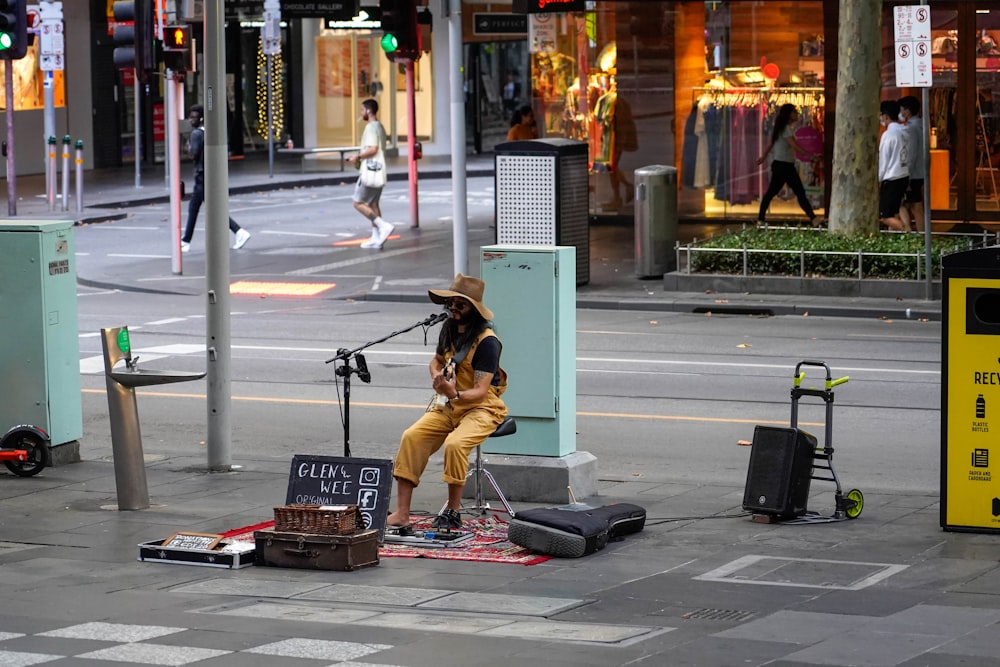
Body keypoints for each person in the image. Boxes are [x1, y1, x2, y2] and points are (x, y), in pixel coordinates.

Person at [386, 274, 508, 533]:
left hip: (481, 407)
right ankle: (402, 513)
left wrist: (452, 394)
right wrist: (437, 378)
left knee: (454, 444)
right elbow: (436, 361)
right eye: (451, 303)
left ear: (473, 310)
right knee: (412, 437)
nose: (453, 308)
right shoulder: (448, 329)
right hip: (448, 404)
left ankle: (453, 511)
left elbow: (480, 391)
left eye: (459, 305)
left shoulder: (487, 342)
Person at [180, 105, 251, 253]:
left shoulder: (196, 134)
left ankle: (186, 241)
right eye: (190, 117)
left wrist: (186, 145)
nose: (190, 120)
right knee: (209, 209)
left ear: (201, 118)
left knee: (197, 208)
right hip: (209, 174)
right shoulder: (209, 131)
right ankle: (238, 232)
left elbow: (193, 154)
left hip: (201, 176)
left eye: (193, 117)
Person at [756, 103, 821, 226]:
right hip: (784, 166)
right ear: (789, 114)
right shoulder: (785, 129)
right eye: (795, 112)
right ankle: (813, 219)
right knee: (795, 192)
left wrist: (763, 157)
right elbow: (795, 146)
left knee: (774, 192)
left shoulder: (781, 128)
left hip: (783, 165)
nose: (797, 114)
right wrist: (811, 156)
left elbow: (770, 144)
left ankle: (761, 219)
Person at [348, 99, 395, 249]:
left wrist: (358, 157)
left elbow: (373, 149)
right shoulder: (380, 127)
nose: (361, 113)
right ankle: (376, 237)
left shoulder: (370, 128)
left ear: (368, 111)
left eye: (362, 110)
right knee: (373, 203)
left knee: (357, 203)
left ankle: (383, 226)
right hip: (379, 171)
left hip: (369, 171)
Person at [878, 99, 911, 232]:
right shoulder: (905, 132)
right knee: (896, 209)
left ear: (885, 117)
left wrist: (879, 179)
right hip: (904, 175)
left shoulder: (888, 135)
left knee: (885, 216)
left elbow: (883, 159)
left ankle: (907, 232)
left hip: (891, 178)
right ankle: (900, 237)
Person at [898, 96, 925, 232]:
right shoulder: (921, 124)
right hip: (920, 171)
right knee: (915, 205)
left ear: (907, 111)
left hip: (912, 173)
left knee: (910, 205)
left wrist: (906, 172)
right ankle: (921, 233)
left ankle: (910, 231)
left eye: (901, 110)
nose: (900, 113)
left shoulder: (911, 129)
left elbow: (911, 153)